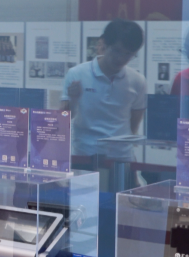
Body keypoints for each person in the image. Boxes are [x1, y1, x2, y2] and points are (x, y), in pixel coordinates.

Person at [60, 19, 146, 163]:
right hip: (85, 154)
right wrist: (73, 99)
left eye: (128, 54)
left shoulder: (137, 80)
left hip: (122, 158)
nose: (121, 58)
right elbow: (64, 118)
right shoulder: (77, 74)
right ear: (104, 44)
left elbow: (134, 124)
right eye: (116, 51)